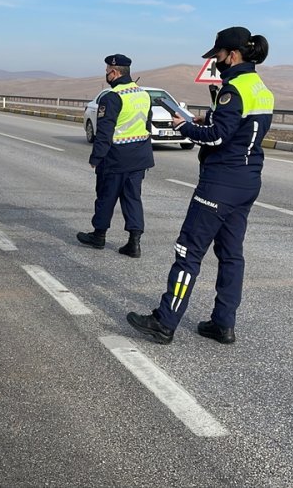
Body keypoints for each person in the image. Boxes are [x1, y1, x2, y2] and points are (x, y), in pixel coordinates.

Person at [127, 27, 274, 345]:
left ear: (232, 55)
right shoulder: (260, 88)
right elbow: (237, 129)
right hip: (248, 181)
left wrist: (188, 127)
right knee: (231, 254)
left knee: (188, 252)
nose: (217, 61)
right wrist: (209, 120)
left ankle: (164, 322)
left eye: (218, 56)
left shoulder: (232, 89)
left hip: (220, 183)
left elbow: (219, 137)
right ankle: (223, 324)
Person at [76, 54, 155, 258]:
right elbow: (147, 124)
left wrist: (96, 158)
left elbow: (105, 132)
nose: (106, 75)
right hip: (139, 157)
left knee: (106, 196)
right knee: (133, 198)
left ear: (114, 72)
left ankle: (99, 236)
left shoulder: (112, 97)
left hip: (116, 157)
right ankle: (134, 243)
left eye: (107, 72)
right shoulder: (143, 94)